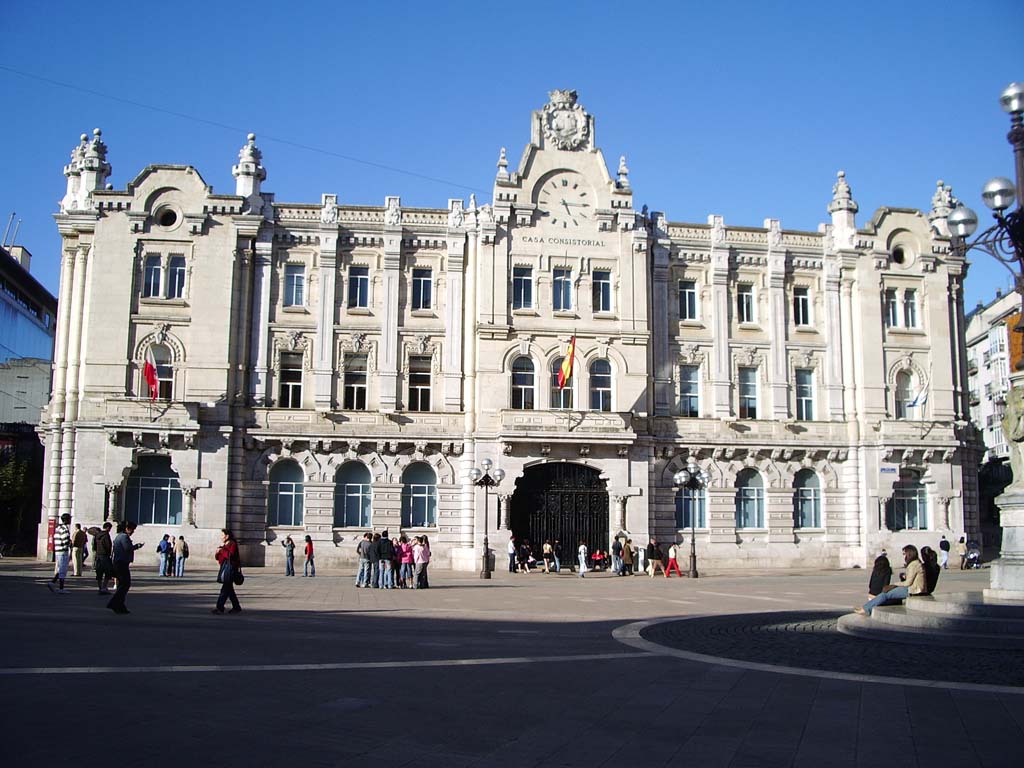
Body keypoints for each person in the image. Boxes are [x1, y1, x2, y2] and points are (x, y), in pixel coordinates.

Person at [855, 545, 926, 616]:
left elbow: (908, 583)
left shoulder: (914, 565)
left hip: (913, 590)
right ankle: (867, 607)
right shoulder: (915, 563)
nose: (904, 556)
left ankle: (865, 609)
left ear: (909, 554)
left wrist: (893, 585)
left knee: (885, 594)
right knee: (887, 594)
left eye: (904, 554)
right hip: (913, 588)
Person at [108, 521, 143, 614]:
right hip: (121, 563)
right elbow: (127, 548)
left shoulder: (119, 536)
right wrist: (137, 546)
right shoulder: (124, 537)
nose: (133, 532)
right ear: (127, 529)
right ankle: (115, 602)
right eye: (132, 530)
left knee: (122, 585)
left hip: (119, 563)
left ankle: (120, 605)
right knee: (125, 584)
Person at [212, 528, 242, 614]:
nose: (221, 537)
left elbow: (230, 555)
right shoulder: (225, 545)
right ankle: (236, 607)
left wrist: (222, 550)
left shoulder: (232, 544)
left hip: (231, 569)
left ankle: (220, 607)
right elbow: (219, 558)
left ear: (227, 536)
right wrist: (218, 552)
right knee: (229, 589)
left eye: (222, 535)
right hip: (225, 568)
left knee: (225, 589)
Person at [48, 513, 73, 594]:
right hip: (63, 551)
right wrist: (70, 543)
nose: (70, 520)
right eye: (69, 518)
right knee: (63, 569)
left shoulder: (58, 528)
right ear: (66, 519)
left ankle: (52, 582)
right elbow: (65, 541)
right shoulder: (65, 529)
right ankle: (61, 588)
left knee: (60, 568)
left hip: (58, 550)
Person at [89, 522, 114, 595]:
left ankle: (100, 588)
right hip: (105, 555)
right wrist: (109, 553)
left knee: (99, 572)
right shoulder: (106, 535)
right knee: (108, 572)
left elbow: (94, 546)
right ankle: (104, 587)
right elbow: (108, 546)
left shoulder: (96, 535)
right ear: (108, 528)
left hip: (98, 555)